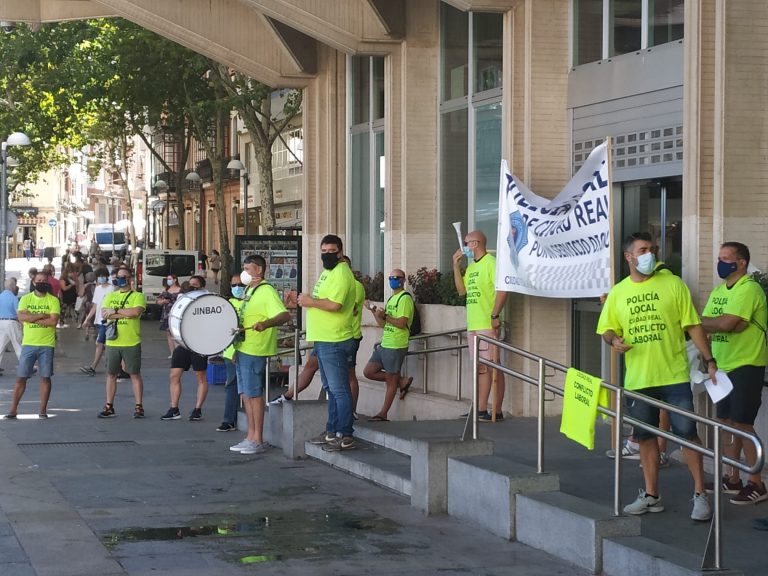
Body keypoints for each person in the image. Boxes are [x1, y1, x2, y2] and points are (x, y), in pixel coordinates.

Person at [597, 232, 717, 521]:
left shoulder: (673, 284)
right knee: (644, 437)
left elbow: (693, 325)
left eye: (651, 249)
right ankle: (651, 495)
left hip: (674, 375)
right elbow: (607, 329)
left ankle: (700, 494)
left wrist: (709, 360)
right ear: (629, 256)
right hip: (639, 379)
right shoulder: (618, 292)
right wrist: (613, 341)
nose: (649, 253)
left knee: (687, 434)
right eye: (642, 250)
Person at [701, 241, 768, 505]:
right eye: (719, 257)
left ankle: (757, 483)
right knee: (727, 422)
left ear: (741, 262)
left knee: (743, 424)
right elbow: (710, 326)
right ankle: (732, 478)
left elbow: (725, 324)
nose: (721, 262)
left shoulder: (749, 288)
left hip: (746, 364)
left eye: (726, 258)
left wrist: (718, 324)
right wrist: (718, 329)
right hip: (722, 364)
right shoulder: (719, 291)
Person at [271, 255, 364, 415]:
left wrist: (313, 302)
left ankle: (349, 415)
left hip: (344, 336)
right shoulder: (331, 283)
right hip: (325, 336)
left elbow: (340, 307)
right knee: (316, 371)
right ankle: (287, 396)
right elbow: (322, 304)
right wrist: (304, 301)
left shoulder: (353, 286)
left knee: (345, 379)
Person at [300, 234, 358, 451]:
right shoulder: (329, 272)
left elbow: (335, 305)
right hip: (324, 338)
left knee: (339, 389)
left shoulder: (342, 273)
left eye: (331, 251)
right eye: (323, 251)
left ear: (340, 252)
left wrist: (310, 302)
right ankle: (332, 431)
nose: (327, 255)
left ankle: (345, 432)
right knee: (331, 389)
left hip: (335, 338)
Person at [229, 255, 290, 454]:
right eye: (244, 268)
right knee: (245, 393)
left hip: (256, 349)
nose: (245, 273)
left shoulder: (266, 291)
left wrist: (265, 324)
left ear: (259, 270)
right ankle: (250, 435)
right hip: (243, 347)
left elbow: (283, 314)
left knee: (254, 394)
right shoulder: (249, 290)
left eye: (248, 269)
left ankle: (258, 438)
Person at [452, 230, 507, 421]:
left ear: (475, 244)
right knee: (481, 367)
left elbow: (502, 290)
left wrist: (494, 315)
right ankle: (481, 407)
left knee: (491, 366)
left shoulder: (491, 264)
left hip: (486, 323)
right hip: (473, 324)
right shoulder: (472, 267)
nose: (464, 247)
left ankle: (489, 409)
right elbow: (461, 291)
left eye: (466, 243)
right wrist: (456, 266)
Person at [6, 271, 60, 418]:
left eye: (44, 280)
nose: (41, 283)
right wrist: (42, 315)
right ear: (34, 282)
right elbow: (21, 317)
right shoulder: (25, 299)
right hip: (29, 343)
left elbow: (53, 322)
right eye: (38, 280)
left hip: (47, 344)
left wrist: (32, 318)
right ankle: (13, 410)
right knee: (21, 377)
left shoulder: (53, 300)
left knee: (45, 377)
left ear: (47, 282)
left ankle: (42, 410)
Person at [363, 269, 415, 422]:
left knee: (390, 380)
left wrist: (385, 315)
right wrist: (374, 312)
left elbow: (401, 322)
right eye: (391, 277)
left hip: (396, 344)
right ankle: (401, 381)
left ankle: (383, 413)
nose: (393, 280)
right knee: (369, 371)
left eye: (396, 278)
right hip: (386, 342)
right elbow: (383, 324)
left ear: (403, 280)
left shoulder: (405, 299)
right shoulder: (392, 299)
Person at [97, 268, 147, 419]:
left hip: (131, 341)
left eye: (123, 277)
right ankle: (109, 405)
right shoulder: (110, 295)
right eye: (118, 277)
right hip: (113, 342)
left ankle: (139, 406)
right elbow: (105, 313)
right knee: (111, 374)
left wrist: (116, 310)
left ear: (130, 278)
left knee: (134, 374)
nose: (120, 279)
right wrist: (123, 312)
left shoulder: (138, 296)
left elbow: (135, 312)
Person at [161, 275, 211, 422]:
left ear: (201, 287)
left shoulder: (207, 299)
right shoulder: (183, 298)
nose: (192, 287)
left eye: (195, 285)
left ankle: (197, 409)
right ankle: (174, 408)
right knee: (174, 375)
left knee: (200, 376)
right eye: (190, 285)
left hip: (198, 343)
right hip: (183, 343)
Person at [217, 273, 246, 432]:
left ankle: (235, 418)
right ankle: (229, 419)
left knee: (247, 387)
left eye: (240, 285)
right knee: (232, 385)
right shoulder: (228, 304)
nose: (237, 288)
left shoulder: (249, 303)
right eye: (234, 285)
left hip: (245, 349)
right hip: (230, 352)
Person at [79, 268, 114, 376]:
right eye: (99, 276)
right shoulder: (98, 289)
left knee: (100, 343)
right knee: (103, 344)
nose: (100, 278)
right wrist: (87, 319)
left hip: (107, 321)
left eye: (103, 276)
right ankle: (115, 366)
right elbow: (95, 305)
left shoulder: (112, 289)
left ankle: (94, 367)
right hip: (99, 320)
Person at [157, 274, 182, 357]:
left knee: (176, 333)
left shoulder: (180, 290)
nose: (168, 281)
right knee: (169, 334)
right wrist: (163, 301)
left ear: (175, 280)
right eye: (167, 279)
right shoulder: (166, 290)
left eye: (170, 279)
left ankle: (178, 352)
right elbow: (158, 301)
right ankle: (172, 352)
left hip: (177, 314)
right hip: (167, 314)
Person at [0, 278, 22, 371]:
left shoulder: (0, 296)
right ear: (13, 287)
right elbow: (19, 313)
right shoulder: (13, 298)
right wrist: (22, 324)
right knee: (18, 344)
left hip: (1, 322)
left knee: (1, 345)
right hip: (11, 322)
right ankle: (27, 366)